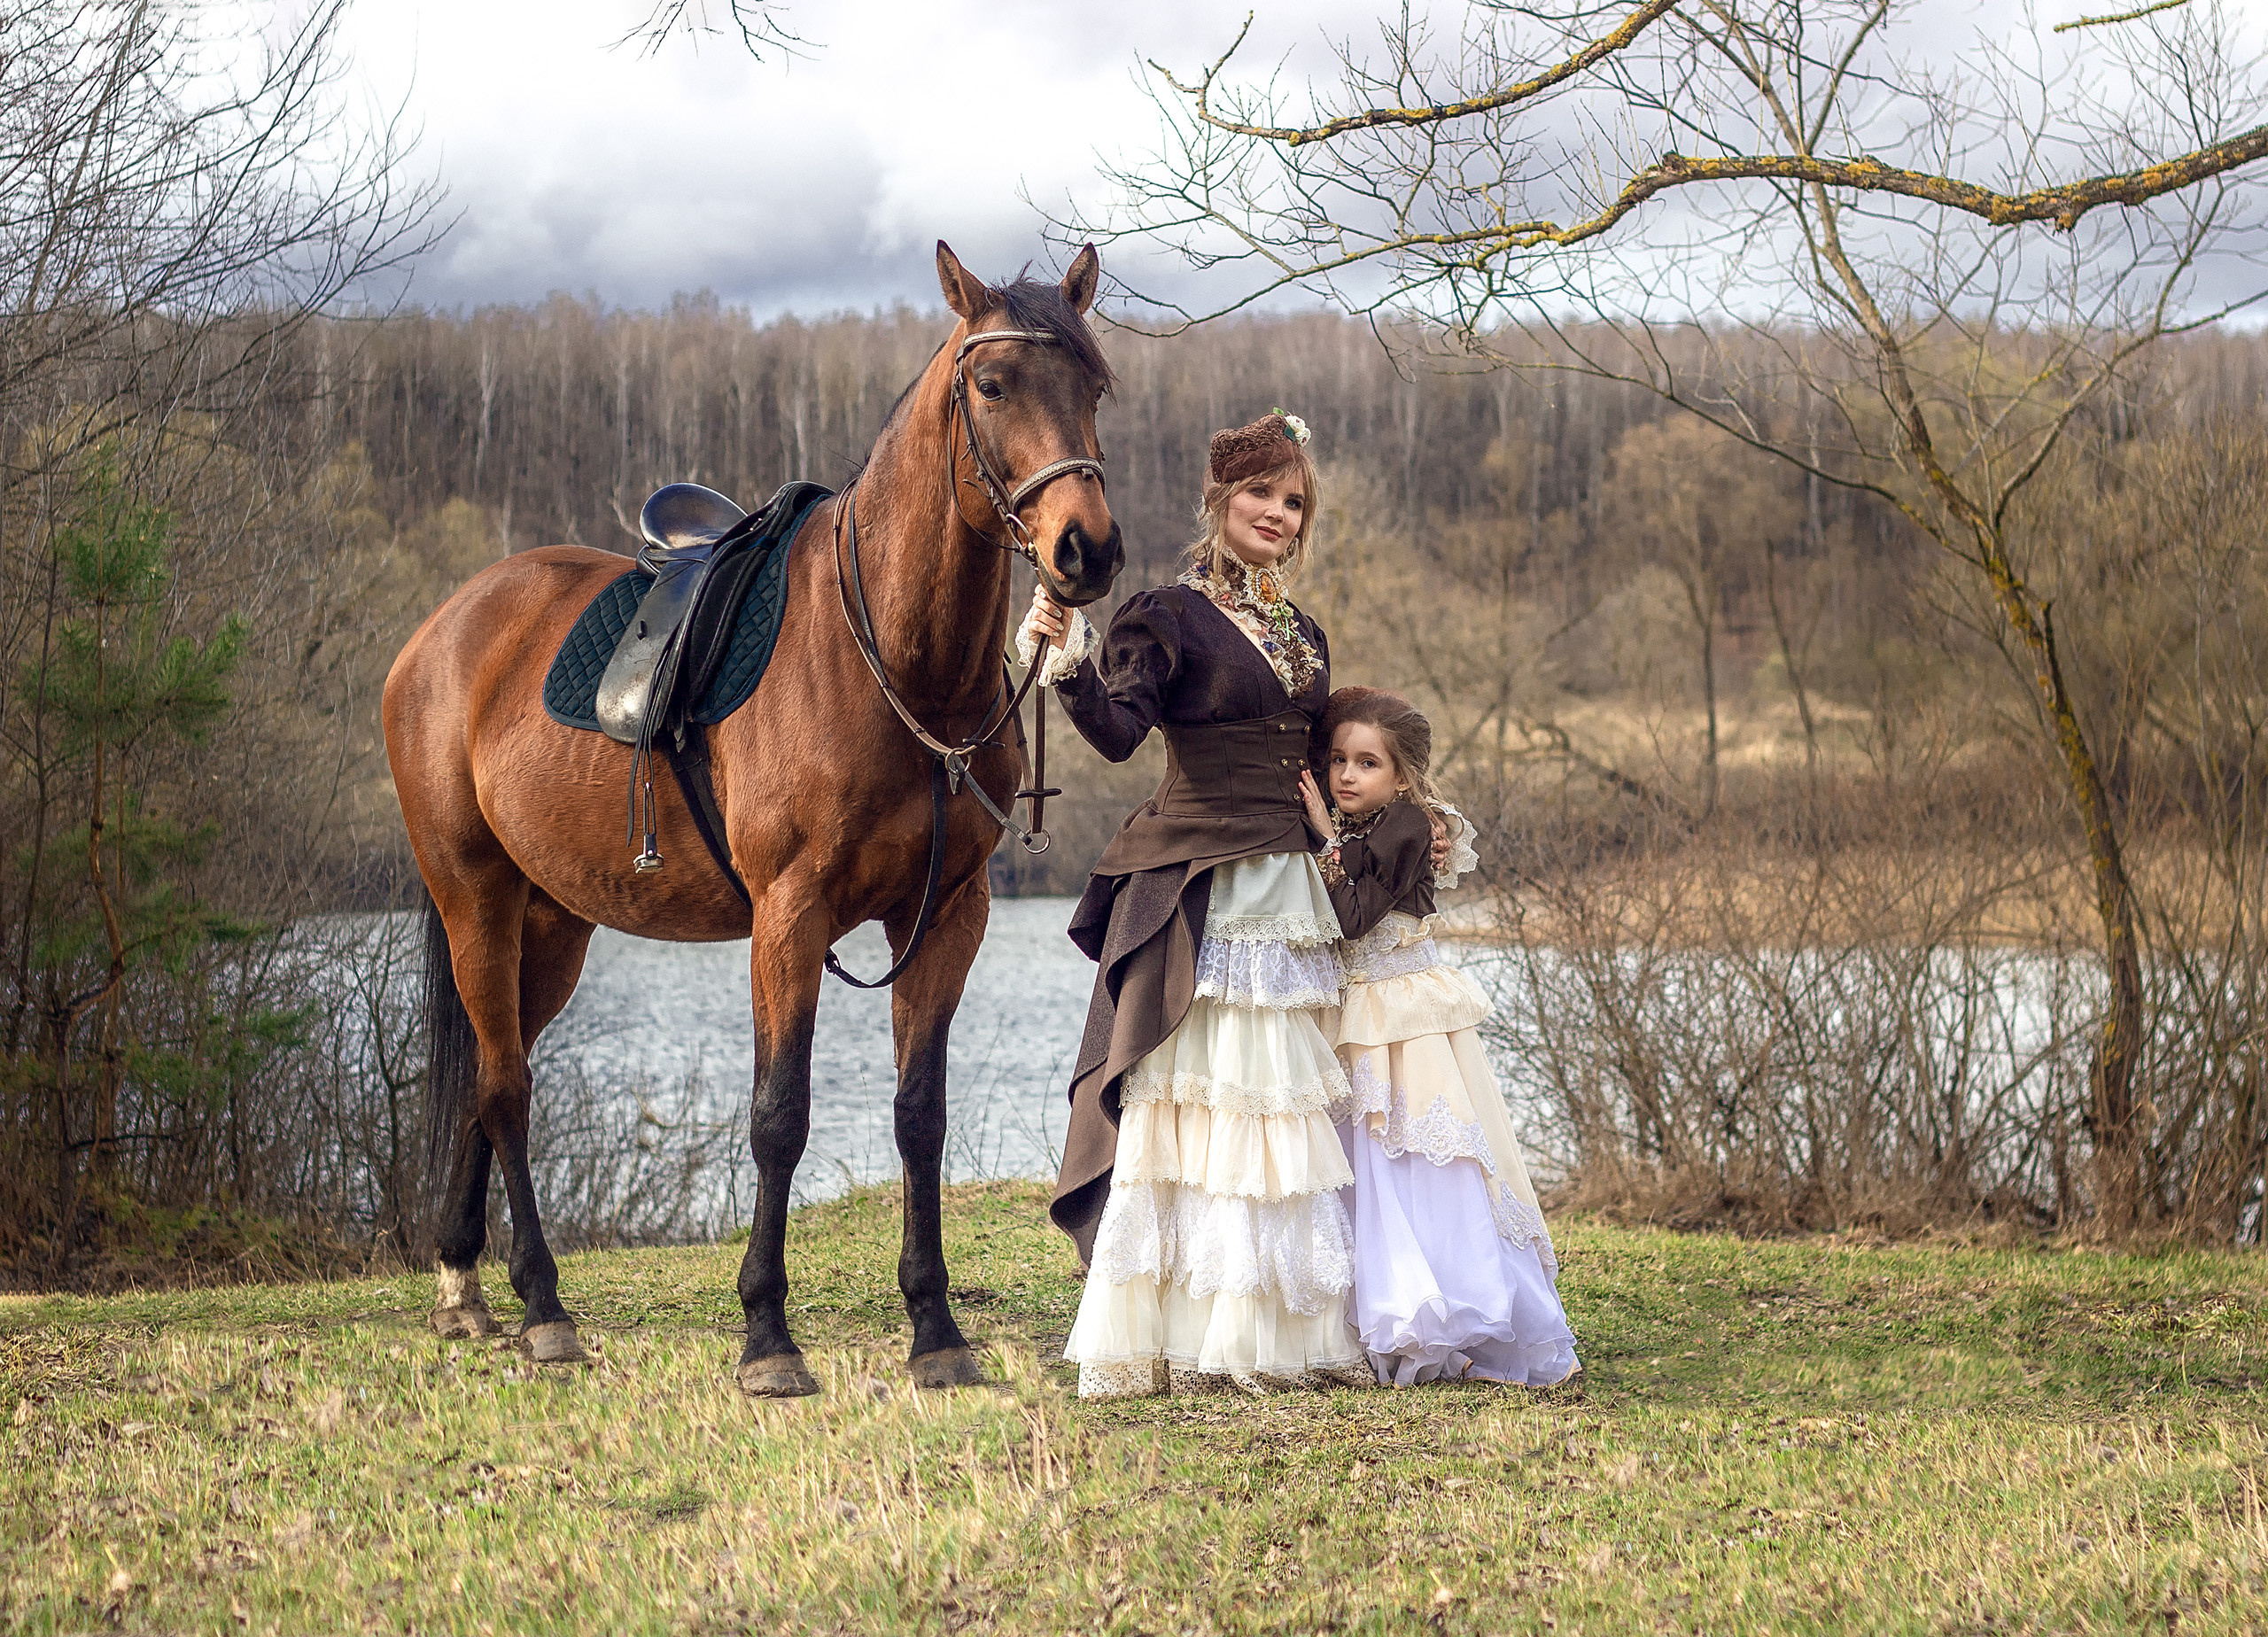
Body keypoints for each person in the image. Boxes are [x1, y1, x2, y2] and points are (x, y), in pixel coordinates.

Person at [1017, 408, 1373, 1398]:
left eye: (1293, 502)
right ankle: (1179, 1329)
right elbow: (1122, 732)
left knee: (1278, 1112)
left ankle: (1273, 1331)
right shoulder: (1164, 614)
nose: (1277, 513)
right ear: (1219, 500)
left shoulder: (1305, 634)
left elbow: (1317, 757)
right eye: (1260, 493)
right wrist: (1071, 664)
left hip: (1286, 887)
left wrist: (1353, 822)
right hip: (1201, 890)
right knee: (1202, 1104)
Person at [1301, 686, 1581, 1388]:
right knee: (1369, 1161)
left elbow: (1355, 917)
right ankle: (1386, 1313)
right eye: (1337, 760)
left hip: (1402, 1017)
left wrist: (1322, 836)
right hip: (1361, 1013)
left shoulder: (1404, 827)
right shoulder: (1377, 822)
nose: (1345, 776)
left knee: (1420, 1157)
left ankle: (1446, 1314)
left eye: (1367, 763)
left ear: (1403, 777)